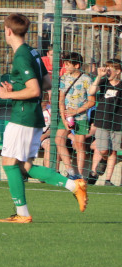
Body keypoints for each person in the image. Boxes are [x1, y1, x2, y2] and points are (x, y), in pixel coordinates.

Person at [0, 13, 87, 223]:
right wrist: (16, 87)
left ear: (8, 31)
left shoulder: (21, 55)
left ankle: (23, 214)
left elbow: (36, 90)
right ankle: (74, 185)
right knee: (23, 166)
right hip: (32, 116)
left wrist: (7, 94)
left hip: (23, 117)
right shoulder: (33, 52)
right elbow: (47, 82)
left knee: (9, 163)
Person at [56, 51, 96, 180]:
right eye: (65, 64)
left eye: (68, 64)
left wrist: (76, 111)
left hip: (81, 117)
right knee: (58, 140)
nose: (66, 67)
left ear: (77, 65)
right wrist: (64, 117)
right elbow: (61, 99)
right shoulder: (63, 78)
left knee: (79, 145)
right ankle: (70, 170)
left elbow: (92, 101)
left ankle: (79, 174)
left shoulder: (87, 79)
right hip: (66, 116)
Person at [88, 60, 121, 185]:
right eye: (106, 68)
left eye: (110, 69)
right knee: (102, 150)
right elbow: (91, 92)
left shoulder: (121, 86)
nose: (107, 71)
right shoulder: (103, 83)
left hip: (117, 122)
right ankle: (102, 161)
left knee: (113, 151)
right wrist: (99, 76)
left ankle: (108, 179)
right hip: (102, 122)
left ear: (117, 71)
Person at [82, 0, 122, 64]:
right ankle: (93, 79)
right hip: (93, 27)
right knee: (90, 60)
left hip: (108, 29)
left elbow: (120, 6)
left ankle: (106, 80)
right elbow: (83, 6)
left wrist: (104, 8)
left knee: (106, 61)